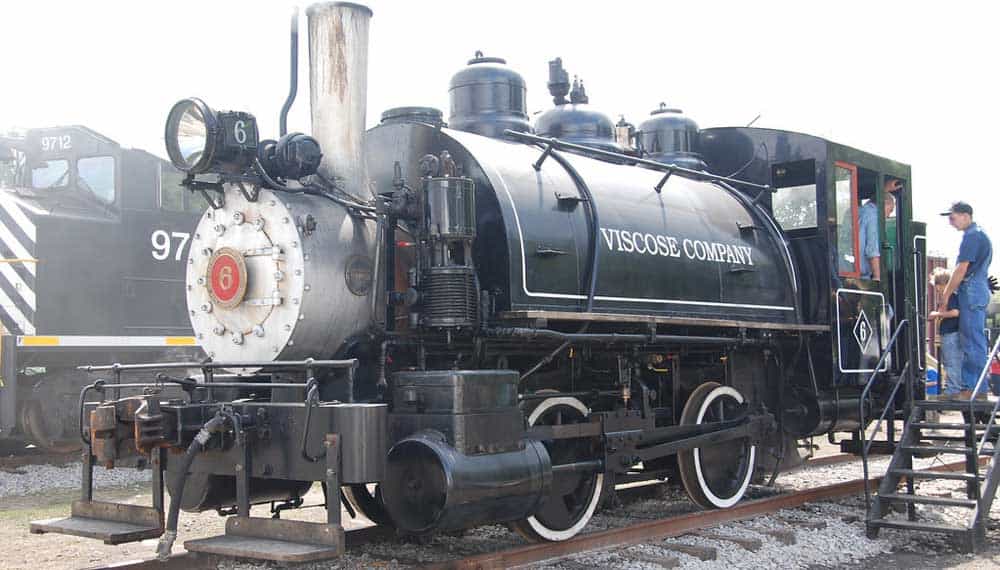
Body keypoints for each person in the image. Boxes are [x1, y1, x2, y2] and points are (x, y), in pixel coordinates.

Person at [937, 201, 993, 399]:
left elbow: (961, 269)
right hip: (975, 290)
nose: (951, 223)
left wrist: (945, 295)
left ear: (965, 215)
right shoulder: (978, 234)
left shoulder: (972, 236)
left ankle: (974, 388)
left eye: (952, 218)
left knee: (971, 342)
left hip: (971, 291)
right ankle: (976, 387)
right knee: (973, 341)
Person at [928, 268, 962, 397]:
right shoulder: (949, 296)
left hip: (951, 334)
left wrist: (937, 314)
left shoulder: (952, 295)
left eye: (937, 285)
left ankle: (953, 390)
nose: (936, 289)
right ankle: (952, 388)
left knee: (951, 362)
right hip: (948, 334)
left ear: (943, 283)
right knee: (949, 362)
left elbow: (955, 312)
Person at [858, 179, 899, 280]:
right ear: (884, 203)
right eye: (890, 210)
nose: (889, 215)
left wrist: (884, 189)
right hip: (862, 277)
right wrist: (877, 278)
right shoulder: (875, 216)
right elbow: (872, 250)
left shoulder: (861, 211)